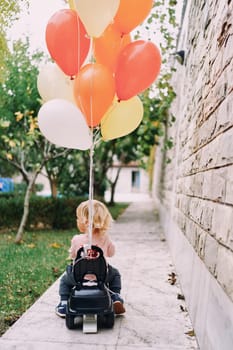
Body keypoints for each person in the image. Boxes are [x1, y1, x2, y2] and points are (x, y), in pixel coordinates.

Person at [55, 199, 125, 317]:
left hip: (78, 277)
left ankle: (64, 303)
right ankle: (115, 296)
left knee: (64, 281)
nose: (77, 221)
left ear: (85, 221)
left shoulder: (76, 239)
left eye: (78, 218)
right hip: (102, 276)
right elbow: (111, 253)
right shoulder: (105, 238)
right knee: (115, 274)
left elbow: (72, 255)